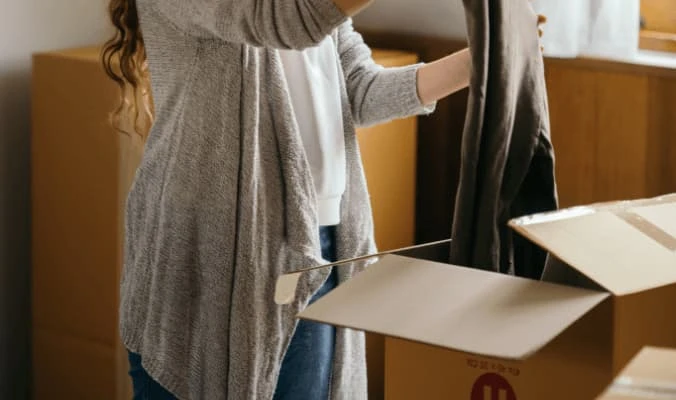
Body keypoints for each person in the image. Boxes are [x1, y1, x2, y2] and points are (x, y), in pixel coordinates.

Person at [101, 1, 541, 399]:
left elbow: (363, 91)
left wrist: (481, 60)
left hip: (319, 251)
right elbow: (286, 22)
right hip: (212, 256)